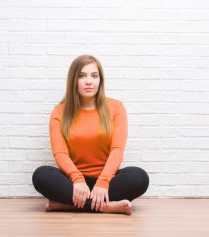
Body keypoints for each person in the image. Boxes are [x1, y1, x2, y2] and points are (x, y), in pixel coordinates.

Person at [32, 55, 149, 215]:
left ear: (100, 80)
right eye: (82, 75)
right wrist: (78, 180)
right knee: (41, 175)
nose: (89, 81)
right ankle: (106, 207)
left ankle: (68, 205)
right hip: (73, 183)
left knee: (139, 177)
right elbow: (60, 153)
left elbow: (117, 150)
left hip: (107, 182)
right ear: (74, 80)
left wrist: (103, 182)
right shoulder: (59, 111)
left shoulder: (116, 107)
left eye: (94, 76)